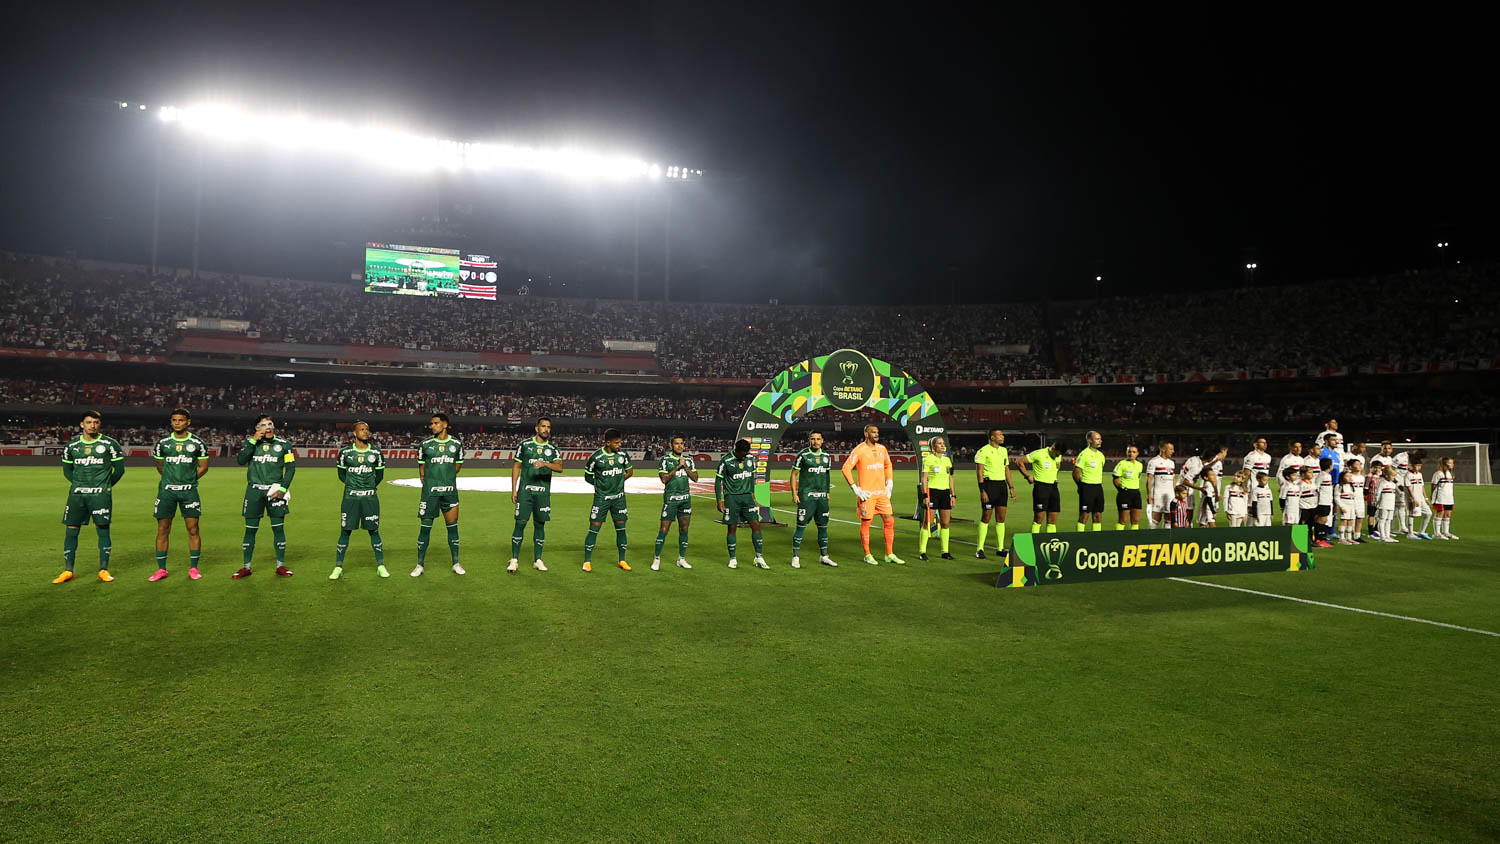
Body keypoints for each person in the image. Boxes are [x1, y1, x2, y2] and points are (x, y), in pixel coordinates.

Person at [52, 410, 125, 584]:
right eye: (89, 422)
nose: (92, 425)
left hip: (100, 496)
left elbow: (120, 470)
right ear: (82, 424)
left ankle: (103, 570)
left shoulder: (110, 444)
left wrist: (105, 486)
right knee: (71, 530)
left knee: (103, 529)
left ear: (100, 424)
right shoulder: (72, 446)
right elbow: (67, 471)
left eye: (96, 422)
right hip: (77, 496)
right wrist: (79, 485)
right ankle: (68, 570)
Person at [149, 408, 209, 581]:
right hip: (167, 492)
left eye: (181, 420)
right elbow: (160, 467)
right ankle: (161, 569)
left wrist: (189, 479)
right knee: (162, 529)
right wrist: (172, 480)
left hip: (189, 492)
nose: (177, 423)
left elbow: (203, 467)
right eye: (174, 420)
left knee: (193, 529)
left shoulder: (197, 443)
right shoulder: (163, 443)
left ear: (188, 422)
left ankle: (194, 568)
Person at [233, 415, 295, 579]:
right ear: (257, 429)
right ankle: (246, 567)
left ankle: (280, 565)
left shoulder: (284, 445)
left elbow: (290, 469)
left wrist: (283, 488)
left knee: (278, 529)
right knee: (250, 530)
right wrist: (253, 440)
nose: (267, 427)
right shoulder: (251, 444)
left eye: (270, 424)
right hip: (254, 491)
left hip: (274, 491)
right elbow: (241, 460)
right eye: (263, 425)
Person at [330, 421, 387, 579]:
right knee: (345, 530)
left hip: (370, 497)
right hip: (351, 497)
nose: (365, 432)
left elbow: (380, 476)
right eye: (362, 430)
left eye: (367, 430)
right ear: (354, 433)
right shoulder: (345, 453)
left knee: (374, 530)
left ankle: (381, 565)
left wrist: (368, 487)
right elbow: (342, 475)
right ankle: (338, 567)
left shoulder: (376, 453)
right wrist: (352, 486)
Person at [843, 425, 904, 565]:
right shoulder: (859, 450)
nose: (876, 434)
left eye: (877, 432)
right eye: (873, 432)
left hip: (882, 494)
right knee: (866, 523)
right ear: (866, 433)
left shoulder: (882, 449)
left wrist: (890, 484)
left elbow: (888, 465)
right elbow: (846, 468)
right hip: (867, 495)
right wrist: (856, 489)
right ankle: (867, 554)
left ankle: (889, 554)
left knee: (889, 521)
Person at [412, 413, 464, 577]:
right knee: (425, 530)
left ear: (445, 424)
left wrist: (444, 478)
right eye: (431, 423)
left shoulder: (456, 444)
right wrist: (430, 481)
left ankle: (456, 562)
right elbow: (421, 469)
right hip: (430, 494)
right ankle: (419, 564)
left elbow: (457, 467)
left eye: (435, 423)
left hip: (449, 493)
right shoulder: (425, 444)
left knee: (453, 529)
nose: (431, 426)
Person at [510, 417, 561, 573]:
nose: (546, 429)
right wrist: (514, 489)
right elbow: (517, 466)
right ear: (536, 428)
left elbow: (560, 468)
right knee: (520, 524)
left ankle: (538, 559)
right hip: (525, 491)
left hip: (543, 494)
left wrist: (545, 463)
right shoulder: (525, 445)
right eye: (543, 426)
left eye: (548, 427)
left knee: (540, 525)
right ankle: (514, 559)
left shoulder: (553, 449)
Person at [582, 428, 633, 572]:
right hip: (601, 499)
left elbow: (629, 471)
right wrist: (599, 485)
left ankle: (622, 560)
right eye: (616, 443)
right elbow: (587, 475)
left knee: (621, 529)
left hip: (619, 499)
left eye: (620, 442)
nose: (619, 445)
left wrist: (618, 480)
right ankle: (587, 561)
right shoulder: (596, 457)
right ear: (608, 442)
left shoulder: (623, 455)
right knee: (594, 529)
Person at [717, 438, 767, 568]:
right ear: (736, 451)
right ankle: (733, 558)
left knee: (756, 525)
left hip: (747, 498)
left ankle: (759, 557)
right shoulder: (726, 460)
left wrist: (752, 494)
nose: (744, 456)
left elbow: (751, 477)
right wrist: (719, 500)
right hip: (732, 498)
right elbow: (718, 481)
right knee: (732, 528)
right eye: (742, 454)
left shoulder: (750, 459)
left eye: (746, 453)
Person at [790, 431, 837, 568]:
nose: (815, 441)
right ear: (809, 441)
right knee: (800, 527)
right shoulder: (803, 455)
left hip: (821, 498)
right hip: (806, 497)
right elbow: (794, 474)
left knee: (823, 527)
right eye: (813, 439)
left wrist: (827, 491)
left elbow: (827, 475)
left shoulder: (827, 456)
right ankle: (795, 557)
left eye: (818, 439)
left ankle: (824, 556)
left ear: (822, 441)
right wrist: (794, 494)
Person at [654, 435, 697, 570]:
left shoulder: (689, 460)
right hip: (671, 500)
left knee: (684, 529)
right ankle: (656, 559)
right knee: (664, 529)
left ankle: (681, 559)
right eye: (676, 443)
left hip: (685, 500)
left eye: (682, 443)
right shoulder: (665, 460)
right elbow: (664, 479)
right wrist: (678, 466)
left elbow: (695, 478)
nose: (680, 446)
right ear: (671, 446)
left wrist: (686, 467)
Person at [972, 428, 1015, 558]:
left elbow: (1006, 469)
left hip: (1001, 486)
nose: (1003, 436)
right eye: (1000, 435)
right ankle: (980, 549)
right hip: (989, 486)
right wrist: (982, 490)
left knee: (1001, 518)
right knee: (986, 517)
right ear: (992, 437)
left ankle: (1000, 548)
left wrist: (1011, 487)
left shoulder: (1003, 451)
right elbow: (979, 472)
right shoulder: (983, 451)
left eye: (1002, 434)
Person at [919, 435, 956, 560]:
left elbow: (950, 478)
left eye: (943, 443)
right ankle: (922, 551)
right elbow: (924, 479)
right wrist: (925, 495)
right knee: (927, 522)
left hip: (945, 492)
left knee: (945, 523)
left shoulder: (947, 460)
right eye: (939, 443)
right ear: (933, 447)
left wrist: (953, 495)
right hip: (932, 492)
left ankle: (945, 551)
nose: (942, 445)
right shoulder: (928, 459)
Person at [1017, 441, 1063, 533]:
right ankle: (1034, 541)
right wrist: (1027, 476)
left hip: (1054, 487)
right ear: (1053, 448)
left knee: (1053, 520)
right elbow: (1020, 462)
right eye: (1057, 454)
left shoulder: (1059, 455)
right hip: (1041, 487)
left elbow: (1057, 467)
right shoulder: (1039, 453)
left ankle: (1051, 543)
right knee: (1039, 517)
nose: (1058, 456)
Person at [1073, 430, 1106, 532]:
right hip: (1087, 487)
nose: (1100, 441)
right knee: (1084, 515)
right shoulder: (1084, 454)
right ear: (1089, 440)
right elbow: (1076, 473)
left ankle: (1096, 538)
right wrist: (1081, 486)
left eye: (1100, 439)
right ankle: (1079, 537)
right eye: (1097, 439)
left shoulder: (1101, 455)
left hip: (1098, 487)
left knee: (1098, 514)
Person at [1112, 444, 1144, 530]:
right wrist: (1122, 490)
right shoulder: (1122, 464)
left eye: (1134, 452)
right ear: (1126, 452)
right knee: (1123, 520)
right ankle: (1119, 539)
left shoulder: (1140, 465)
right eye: (1129, 451)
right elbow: (1115, 479)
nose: (1131, 454)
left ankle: (1133, 539)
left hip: (1136, 494)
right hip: (1125, 494)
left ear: (1137, 453)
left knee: (1136, 520)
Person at [1145, 442, 1176, 529]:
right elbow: (1149, 479)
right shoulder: (1154, 461)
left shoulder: (1171, 463)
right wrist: (1149, 494)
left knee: (1169, 518)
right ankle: (1150, 538)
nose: (1173, 451)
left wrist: (1175, 493)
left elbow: (1173, 478)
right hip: (1158, 494)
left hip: (1170, 494)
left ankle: (1165, 539)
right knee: (1156, 518)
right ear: (1163, 449)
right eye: (1170, 449)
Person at [1430, 456, 1458, 539]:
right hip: (1440, 497)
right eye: (1450, 463)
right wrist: (1432, 496)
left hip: (1449, 497)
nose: (1452, 464)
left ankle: (1446, 532)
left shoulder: (1450, 473)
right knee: (1440, 513)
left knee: (1448, 514)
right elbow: (1433, 485)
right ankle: (1436, 533)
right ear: (1445, 464)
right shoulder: (1438, 473)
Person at [1404, 457, 1432, 540]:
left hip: (1421, 498)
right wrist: (1413, 499)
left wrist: (1426, 498)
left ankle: (1421, 532)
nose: (1418, 467)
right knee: (1411, 514)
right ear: (1411, 466)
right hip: (1412, 499)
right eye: (1417, 466)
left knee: (1428, 513)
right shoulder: (1408, 475)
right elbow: (1408, 488)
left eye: (1420, 466)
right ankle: (1410, 534)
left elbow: (1422, 486)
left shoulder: (1420, 474)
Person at [1276, 442, 1304, 517]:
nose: (1298, 449)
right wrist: (1285, 485)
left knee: (1299, 513)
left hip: (1299, 488)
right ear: (1291, 448)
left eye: (1300, 447)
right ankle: (1288, 527)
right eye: (1296, 447)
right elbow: (1280, 474)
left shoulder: (1301, 459)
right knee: (1289, 512)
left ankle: (1299, 529)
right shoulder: (1287, 459)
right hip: (1291, 488)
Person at [1312, 458, 1334, 547]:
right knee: (1321, 519)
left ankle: (1323, 538)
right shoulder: (1322, 476)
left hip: (1327, 501)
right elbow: (1316, 487)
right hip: (1322, 501)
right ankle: (1318, 539)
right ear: (1329, 466)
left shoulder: (1328, 475)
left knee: (1325, 520)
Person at [1343, 458, 1366, 542]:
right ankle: (1347, 535)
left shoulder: (1362, 478)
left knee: (1360, 518)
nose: (1359, 466)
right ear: (1350, 467)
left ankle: (1357, 536)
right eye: (1356, 464)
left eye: (1359, 464)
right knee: (1350, 518)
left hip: (1360, 499)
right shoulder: (1349, 476)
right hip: (1351, 500)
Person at [1374, 467, 1399, 543]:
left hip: (1391, 505)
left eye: (1394, 476)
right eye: (1392, 476)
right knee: (1382, 520)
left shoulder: (1393, 484)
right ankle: (1382, 536)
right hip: (1383, 504)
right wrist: (1377, 502)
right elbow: (1377, 493)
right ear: (1386, 475)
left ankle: (1388, 536)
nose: (1393, 477)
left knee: (1389, 520)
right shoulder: (1382, 483)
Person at [1335, 470, 1359, 545]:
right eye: (1347, 476)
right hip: (1345, 505)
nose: (1350, 478)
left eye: (1350, 476)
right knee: (1344, 520)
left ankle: (1349, 537)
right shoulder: (1339, 486)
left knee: (1351, 521)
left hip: (1351, 505)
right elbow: (1336, 497)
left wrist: (1355, 508)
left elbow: (1354, 498)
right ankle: (1341, 538)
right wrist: (1341, 506)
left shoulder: (1351, 486)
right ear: (1342, 477)